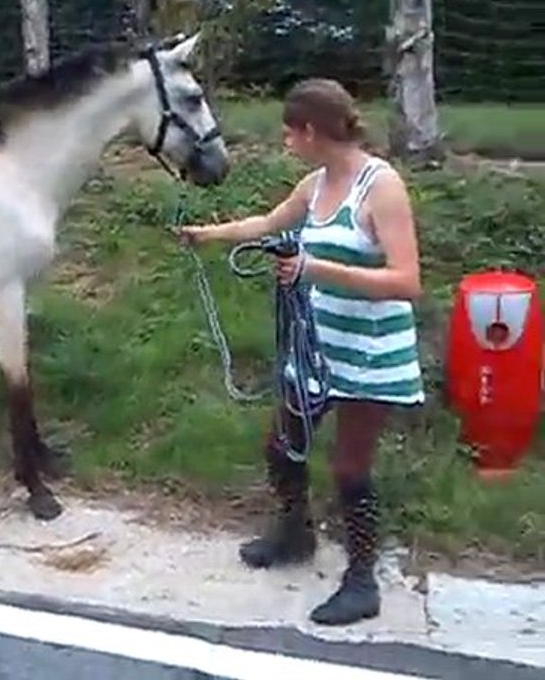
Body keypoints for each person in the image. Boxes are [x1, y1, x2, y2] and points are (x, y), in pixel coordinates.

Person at [176, 77, 425, 627]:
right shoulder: (315, 185)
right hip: (316, 348)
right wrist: (208, 235)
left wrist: (317, 269)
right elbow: (268, 223)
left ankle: (362, 580)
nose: (285, 142)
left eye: (290, 132)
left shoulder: (379, 187)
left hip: (368, 354)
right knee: (281, 445)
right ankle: (295, 534)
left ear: (312, 131)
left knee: (349, 467)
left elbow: (407, 281)